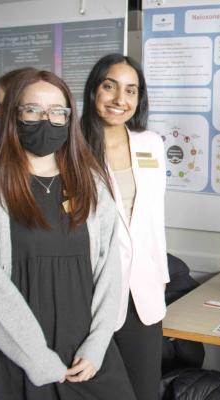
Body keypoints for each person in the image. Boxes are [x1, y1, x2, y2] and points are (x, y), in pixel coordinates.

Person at [0, 70, 136, 399]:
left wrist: (97, 345)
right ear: (13, 115)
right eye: (32, 109)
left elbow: (110, 271)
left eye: (57, 111)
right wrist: (39, 360)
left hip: (87, 358)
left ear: (69, 119)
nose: (46, 119)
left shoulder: (92, 184)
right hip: (17, 358)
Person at [81, 53, 168, 400]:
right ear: (93, 91)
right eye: (110, 87)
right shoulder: (70, 146)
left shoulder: (151, 144)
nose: (120, 99)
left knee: (143, 391)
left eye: (131, 91)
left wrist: (160, 276)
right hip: (89, 292)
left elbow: (154, 219)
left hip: (142, 295)